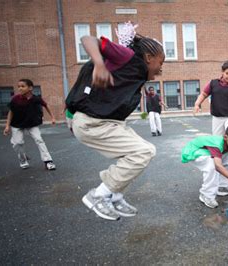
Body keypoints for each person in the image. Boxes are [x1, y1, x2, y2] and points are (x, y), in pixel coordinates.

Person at [65, 22, 165, 221]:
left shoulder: (136, 74)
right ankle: (99, 195)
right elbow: (88, 39)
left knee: (145, 151)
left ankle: (115, 195)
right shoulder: (127, 56)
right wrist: (100, 65)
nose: (161, 68)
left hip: (110, 123)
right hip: (94, 123)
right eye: (160, 62)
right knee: (142, 152)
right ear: (148, 57)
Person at [193, 61, 228, 196]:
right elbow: (203, 95)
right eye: (227, 73)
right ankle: (221, 181)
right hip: (217, 117)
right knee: (218, 146)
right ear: (222, 72)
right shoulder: (213, 83)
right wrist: (197, 104)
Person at [181, 124, 228, 208]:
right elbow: (218, 166)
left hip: (207, 151)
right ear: (225, 137)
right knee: (212, 165)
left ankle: (223, 186)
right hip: (193, 151)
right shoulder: (217, 144)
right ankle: (206, 195)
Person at [3, 79, 57, 170]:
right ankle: (23, 159)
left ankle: (48, 161)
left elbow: (46, 105)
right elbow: (11, 112)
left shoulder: (36, 99)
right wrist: (7, 126)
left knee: (39, 140)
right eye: (19, 86)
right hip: (17, 124)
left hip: (32, 124)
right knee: (17, 143)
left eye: (23, 86)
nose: (20, 88)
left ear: (30, 88)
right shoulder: (15, 99)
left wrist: (52, 117)